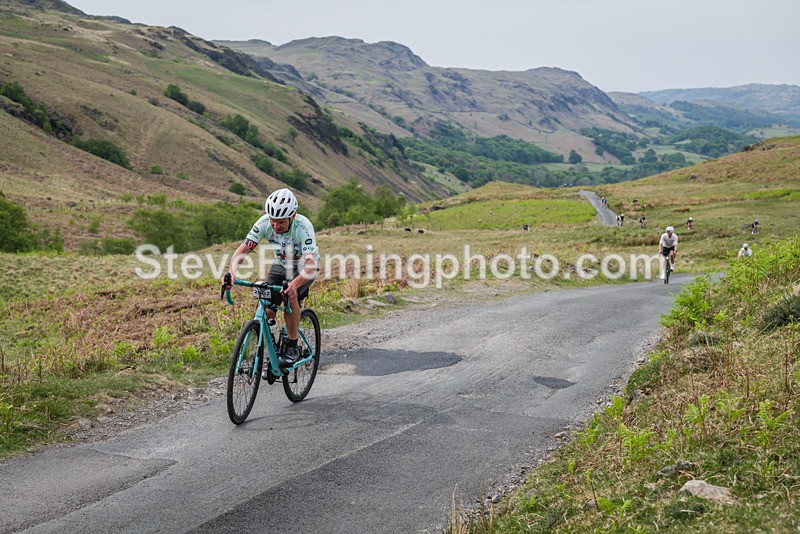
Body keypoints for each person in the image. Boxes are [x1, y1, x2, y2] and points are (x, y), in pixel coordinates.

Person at [222, 188, 320, 372]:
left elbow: (311, 266)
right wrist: (231, 273)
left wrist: (294, 285)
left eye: (281, 222)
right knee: (267, 307)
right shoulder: (264, 223)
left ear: (293, 216)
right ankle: (275, 345)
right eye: (273, 220)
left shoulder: (303, 226)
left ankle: (292, 346)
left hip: (303, 267)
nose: (275, 226)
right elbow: (244, 249)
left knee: (290, 296)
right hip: (281, 264)